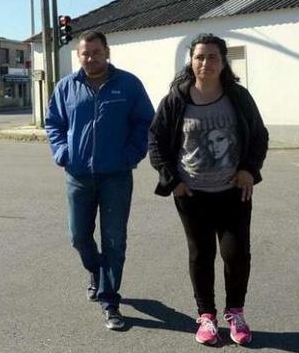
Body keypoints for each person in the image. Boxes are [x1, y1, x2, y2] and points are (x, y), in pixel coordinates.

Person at [148, 33, 268, 345]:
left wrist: (248, 170)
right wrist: (171, 180)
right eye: (200, 57)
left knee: (236, 253)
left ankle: (235, 313)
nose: (205, 63)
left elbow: (259, 136)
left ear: (223, 61)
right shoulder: (176, 100)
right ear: (192, 61)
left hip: (233, 192)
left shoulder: (238, 97)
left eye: (212, 57)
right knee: (201, 254)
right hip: (192, 194)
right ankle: (207, 317)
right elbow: (156, 141)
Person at [46, 30, 155, 331]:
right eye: (85, 53)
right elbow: (53, 122)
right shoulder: (67, 86)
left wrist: (131, 155)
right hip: (78, 174)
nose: (90, 58)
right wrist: (63, 152)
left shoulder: (128, 84)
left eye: (96, 52)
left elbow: (145, 121)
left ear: (107, 52)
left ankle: (110, 302)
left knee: (114, 240)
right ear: (78, 55)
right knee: (78, 236)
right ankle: (96, 271)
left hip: (116, 176)